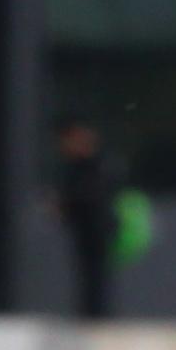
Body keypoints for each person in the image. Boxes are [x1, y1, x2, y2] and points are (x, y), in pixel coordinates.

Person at [51, 119, 121, 321]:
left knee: (96, 278)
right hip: (85, 230)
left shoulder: (99, 165)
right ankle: (90, 317)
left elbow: (94, 196)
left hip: (97, 230)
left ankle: (96, 318)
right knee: (88, 277)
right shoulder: (76, 167)